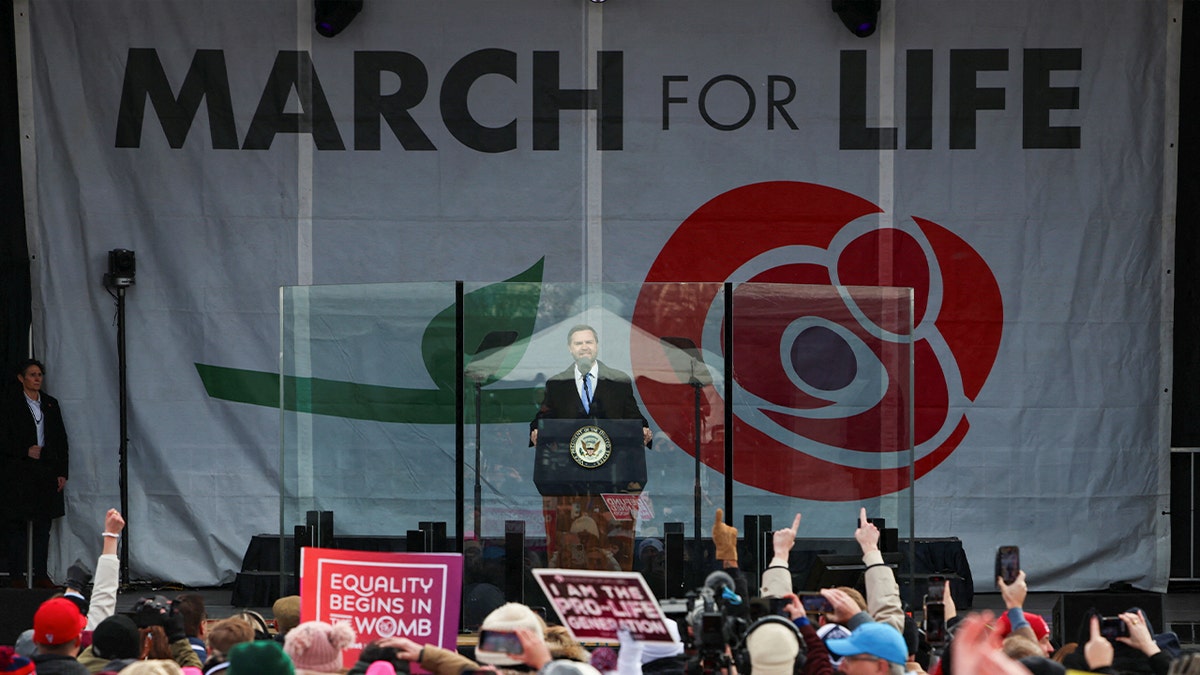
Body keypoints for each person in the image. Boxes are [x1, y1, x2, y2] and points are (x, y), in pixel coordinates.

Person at [529, 325, 652, 571]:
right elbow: (544, 418)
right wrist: (535, 430)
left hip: (612, 481)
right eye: (578, 343)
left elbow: (633, 417)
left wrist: (644, 430)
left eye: (588, 342)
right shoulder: (557, 384)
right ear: (570, 349)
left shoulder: (618, 381)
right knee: (569, 547)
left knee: (609, 545)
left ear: (596, 346)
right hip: (568, 485)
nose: (584, 347)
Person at [2, 359, 71, 588]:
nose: (37, 378)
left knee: (43, 525)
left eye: (39, 374)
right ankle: (16, 575)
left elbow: (61, 440)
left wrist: (62, 471)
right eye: (32, 374)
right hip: (19, 471)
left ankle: (41, 573)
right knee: (17, 526)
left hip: (45, 469)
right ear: (21, 378)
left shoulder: (50, 404)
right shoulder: (10, 404)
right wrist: (23, 450)